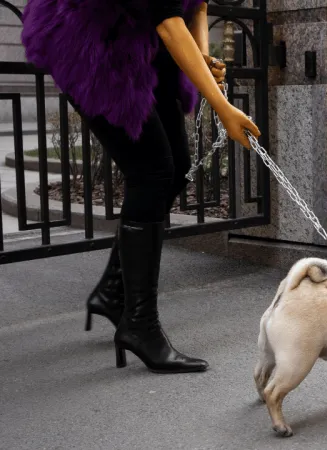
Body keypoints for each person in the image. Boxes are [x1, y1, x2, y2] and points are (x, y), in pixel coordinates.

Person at [20, 0, 260, 374]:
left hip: (142, 29)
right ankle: (140, 324)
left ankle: (115, 292)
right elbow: (168, 21)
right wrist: (223, 108)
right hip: (89, 38)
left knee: (175, 165)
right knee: (150, 170)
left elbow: (195, 6)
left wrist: (200, 58)